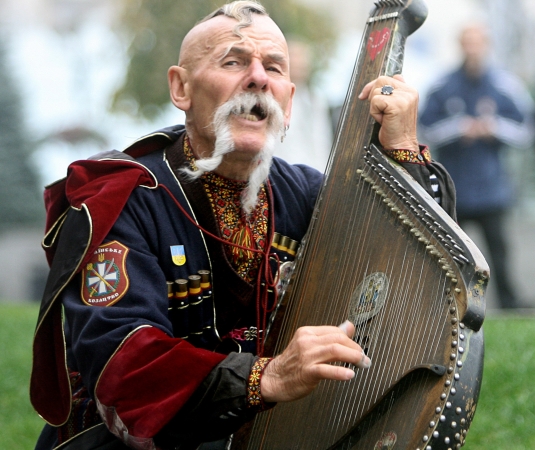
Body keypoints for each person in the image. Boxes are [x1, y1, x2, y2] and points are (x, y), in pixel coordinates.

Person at [29, 2, 455, 449]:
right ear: (181, 88)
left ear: (288, 98)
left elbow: (422, 266)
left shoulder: (306, 194)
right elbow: (122, 365)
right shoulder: (123, 200)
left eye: (274, 67)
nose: (257, 78)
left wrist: (403, 151)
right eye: (233, 62)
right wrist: (268, 377)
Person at [419, 23, 535, 309]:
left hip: (491, 186)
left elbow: (526, 130)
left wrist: (493, 128)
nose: (472, 48)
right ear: (460, 46)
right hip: (454, 190)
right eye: (467, 42)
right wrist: (460, 128)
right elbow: (424, 129)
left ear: (486, 45)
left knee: (499, 250)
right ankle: (449, 306)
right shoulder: (443, 85)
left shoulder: (504, 84)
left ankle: (509, 301)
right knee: (451, 253)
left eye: (478, 42)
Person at [272, 38, 333, 172]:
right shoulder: (272, 98)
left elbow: (322, 141)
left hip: (312, 175)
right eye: (295, 59)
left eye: (302, 60)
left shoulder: (315, 99)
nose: (299, 64)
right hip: (281, 174)